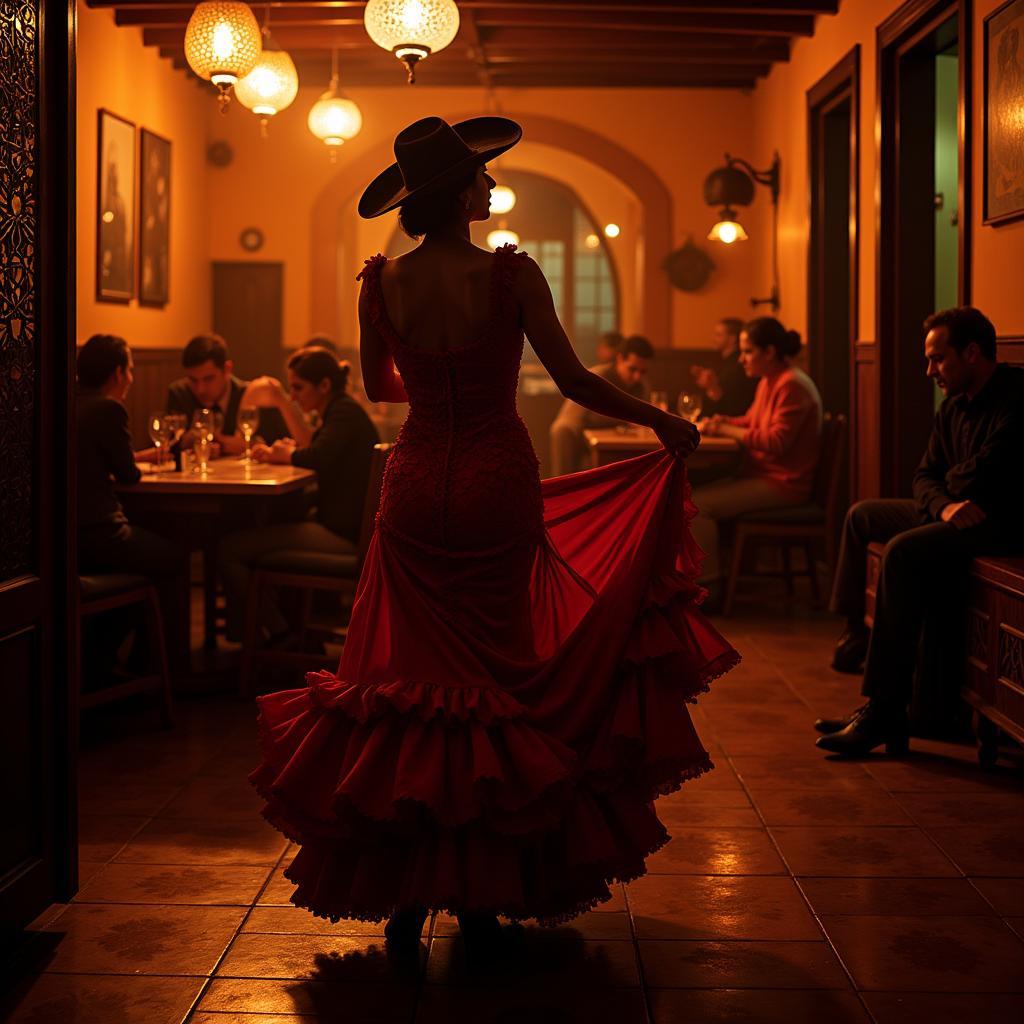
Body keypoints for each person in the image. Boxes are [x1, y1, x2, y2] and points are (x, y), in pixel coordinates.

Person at [248, 115, 738, 961]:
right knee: (494, 676)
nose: (491, 183)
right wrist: (661, 419)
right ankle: (480, 894)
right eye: (481, 174)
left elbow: (377, 386)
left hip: (412, 483)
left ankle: (403, 893)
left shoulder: (380, 281)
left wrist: (435, 380)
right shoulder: (511, 276)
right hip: (493, 482)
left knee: (403, 679)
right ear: (458, 193)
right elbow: (577, 380)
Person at [816, 307, 1024, 757]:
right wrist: (944, 504)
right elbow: (924, 477)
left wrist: (947, 495)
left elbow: (984, 478)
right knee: (863, 515)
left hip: (1001, 524)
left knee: (902, 552)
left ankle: (884, 710)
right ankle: (855, 631)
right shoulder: (952, 406)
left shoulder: (1017, 398)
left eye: (938, 359)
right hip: (955, 513)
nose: (929, 371)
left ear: (972, 353)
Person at [218, 348, 380, 643]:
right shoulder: (341, 410)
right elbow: (321, 454)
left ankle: (280, 634)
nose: (293, 396)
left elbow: (318, 456)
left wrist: (287, 454)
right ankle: (282, 630)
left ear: (324, 386)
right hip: (349, 528)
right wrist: (288, 453)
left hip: (346, 535)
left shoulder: (344, 411)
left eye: (298, 387)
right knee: (254, 538)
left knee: (231, 549)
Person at [692, 318, 823, 594]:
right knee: (690, 492)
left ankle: (708, 589)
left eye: (748, 351)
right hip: (764, 476)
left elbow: (776, 441)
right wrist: (722, 420)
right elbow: (752, 421)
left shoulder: (792, 385)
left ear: (770, 352)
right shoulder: (769, 381)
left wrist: (725, 428)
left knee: (696, 505)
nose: (741, 359)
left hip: (784, 484)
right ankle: (699, 579)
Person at [77, 334, 185, 648]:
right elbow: (128, 474)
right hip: (100, 535)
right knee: (173, 558)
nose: (132, 379)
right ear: (117, 373)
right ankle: (155, 662)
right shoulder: (107, 408)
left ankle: (109, 661)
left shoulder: (65, 400)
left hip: (64, 542)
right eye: (131, 370)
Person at [548, 334, 655, 476]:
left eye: (642, 371)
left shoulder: (642, 385)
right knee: (561, 430)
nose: (637, 377)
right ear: (620, 359)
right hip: (583, 436)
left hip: (620, 438)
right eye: (632, 369)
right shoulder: (597, 377)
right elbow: (582, 418)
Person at [166, 334, 287, 454]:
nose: (200, 389)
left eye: (208, 379)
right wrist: (186, 444)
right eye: (193, 380)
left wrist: (249, 446)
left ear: (227, 369)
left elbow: (279, 444)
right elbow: (168, 449)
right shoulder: (179, 394)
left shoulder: (251, 396)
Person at [690, 317, 758, 417]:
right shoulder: (723, 361)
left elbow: (730, 407)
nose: (713, 339)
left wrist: (711, 386)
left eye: (718, 335)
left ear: (732, 338)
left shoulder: (738, 366)